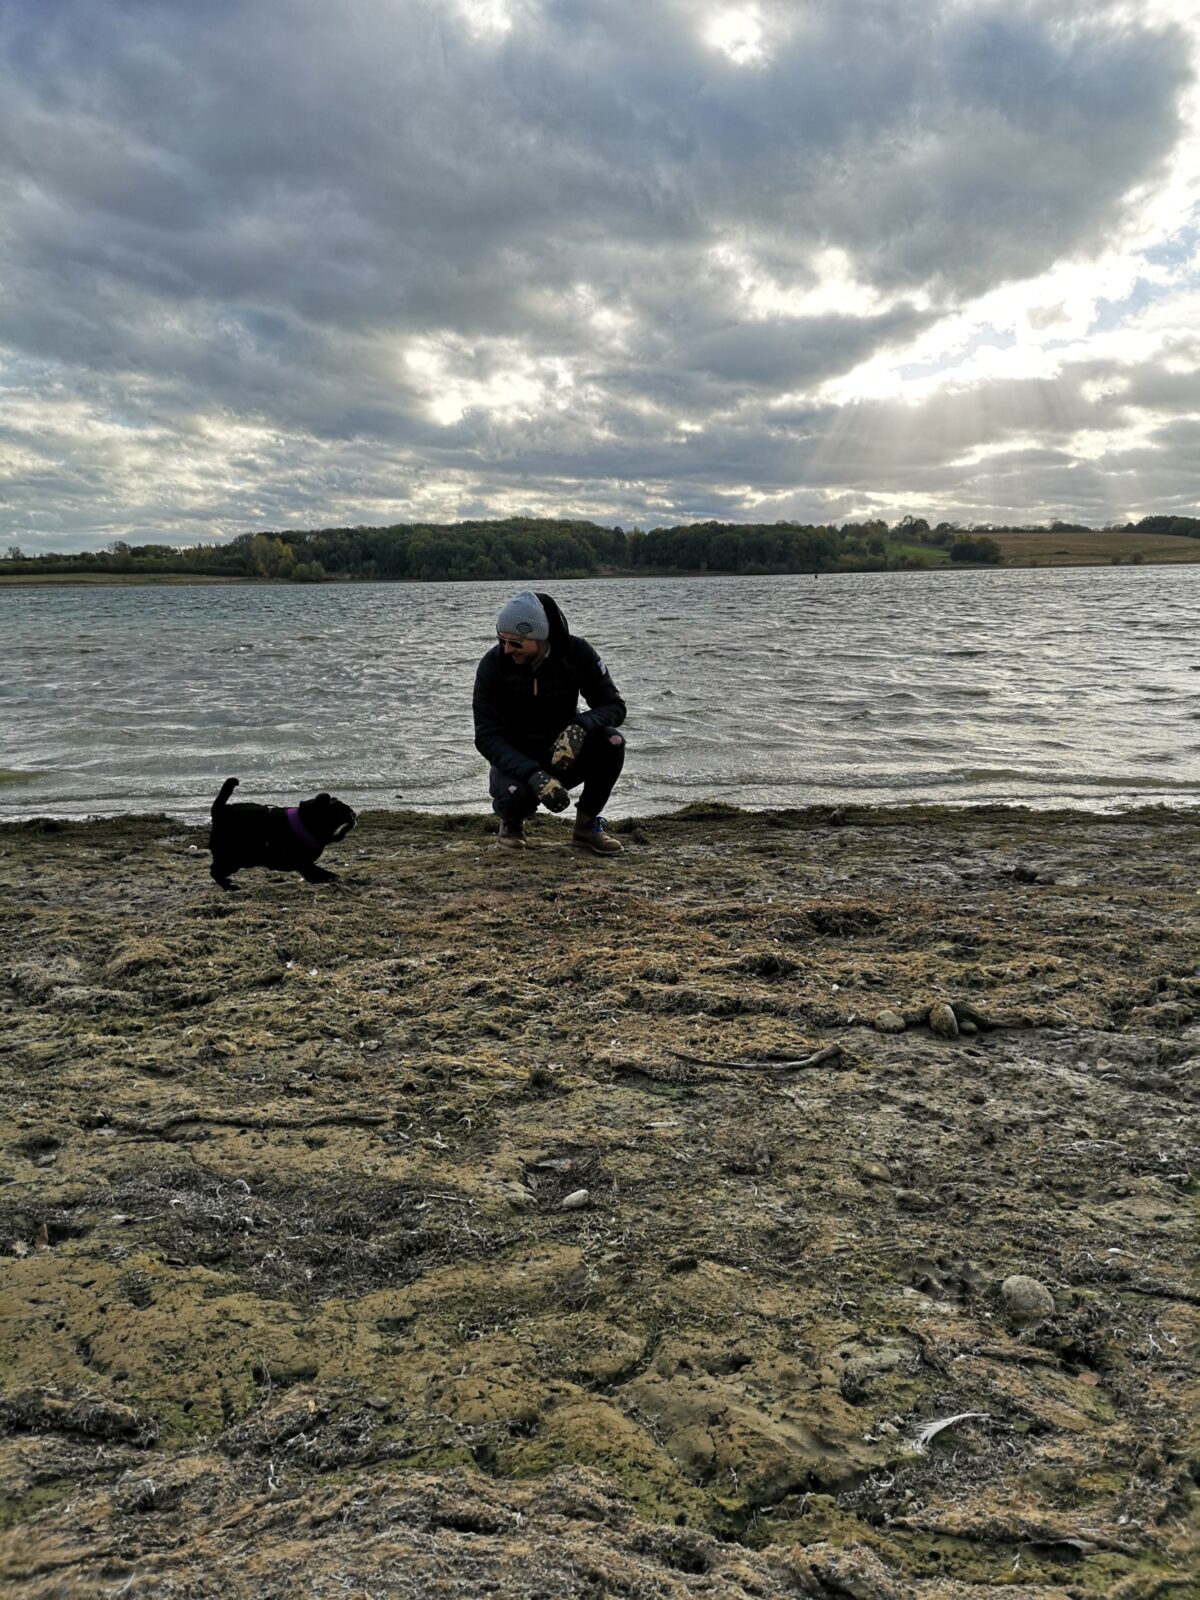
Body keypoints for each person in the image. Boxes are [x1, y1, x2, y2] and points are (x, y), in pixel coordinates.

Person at [473, 590, 627, 854]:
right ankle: (511, 827)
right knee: (512, 794)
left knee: (612, 741)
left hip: (564, 755)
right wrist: (532, 774)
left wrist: (581, 726)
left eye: (516, 643)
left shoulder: (578, 653)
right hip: (516, 764)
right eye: (502, 640)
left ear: (540, 637)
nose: (507, 649)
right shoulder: (493, 665)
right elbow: (486, 737)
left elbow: (614, 706)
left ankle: (586, 828)